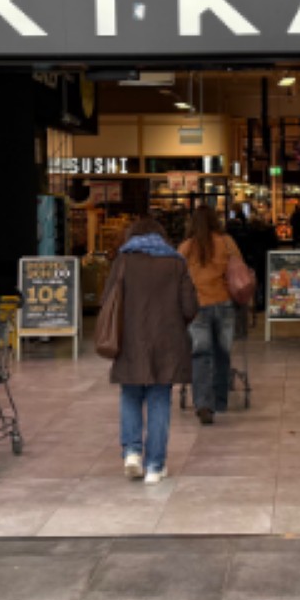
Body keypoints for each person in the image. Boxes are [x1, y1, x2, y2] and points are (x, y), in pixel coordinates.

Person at [104, 217, 198, 484]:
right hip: (167, 342)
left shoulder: (123, 261)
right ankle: (155, 466)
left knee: (130, 395)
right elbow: (190, 307)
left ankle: (132, 453)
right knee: (159, 399)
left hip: (130, 341)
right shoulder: (176, 263)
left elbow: (107, 300)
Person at [180, 205, 240, 424]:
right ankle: (220, 400)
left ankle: (204, 404)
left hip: (197, 306)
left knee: (201, 355)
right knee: (222, 353)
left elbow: (177, 275)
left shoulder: (187, 247)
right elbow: (239, 269)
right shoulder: (227, 242)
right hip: (224, 303)